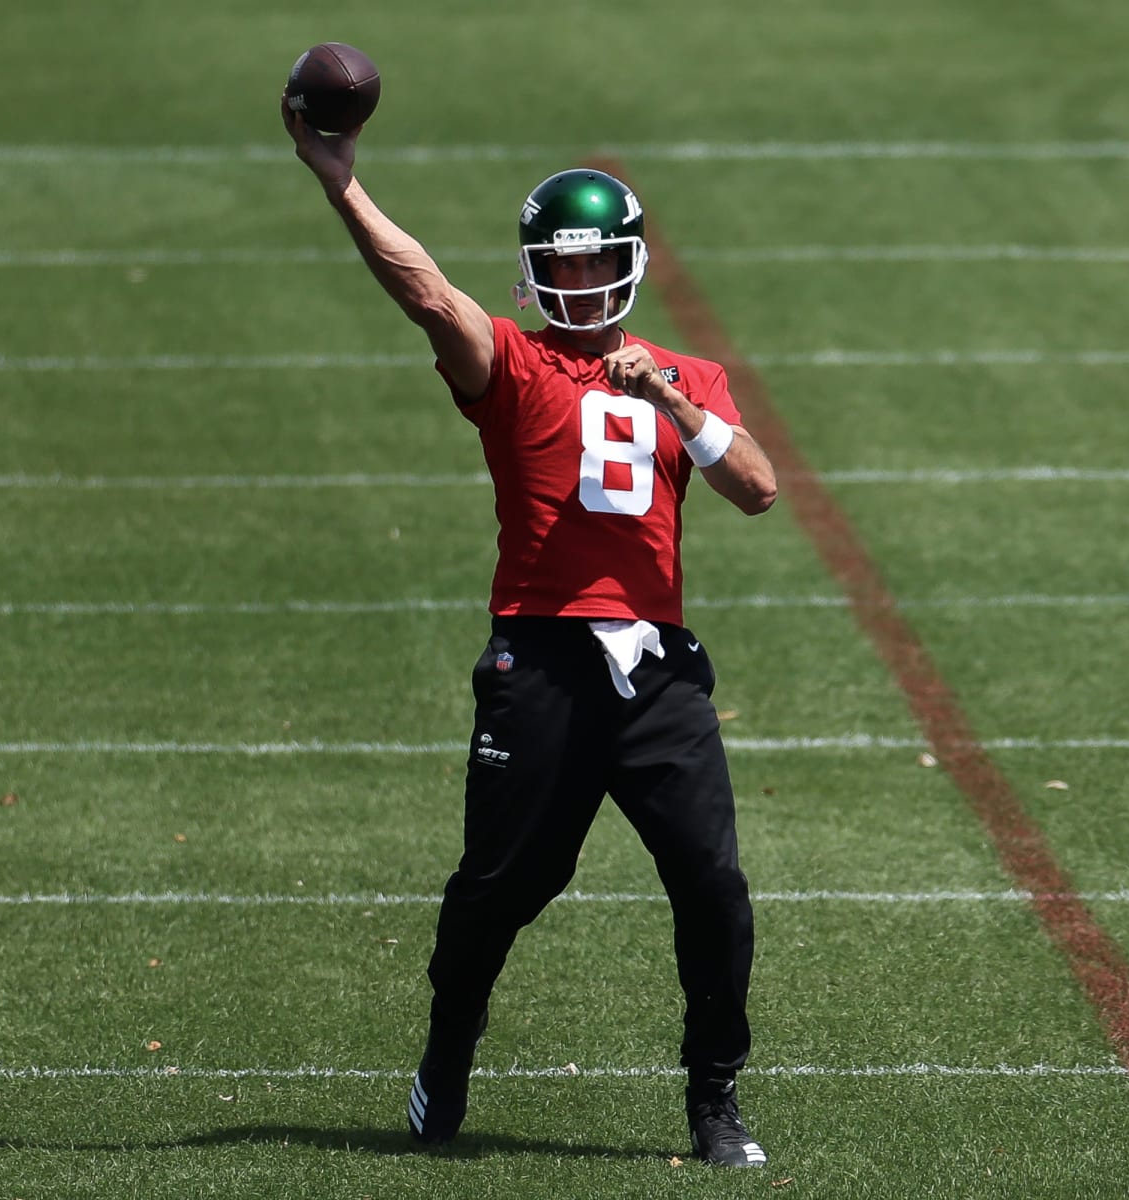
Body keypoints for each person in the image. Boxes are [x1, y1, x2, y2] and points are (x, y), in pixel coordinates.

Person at [283, 96, 779, 1167]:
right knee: (504, 885)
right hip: (540, 658)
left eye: (597, 263)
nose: (582, 281)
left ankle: (714, 1100)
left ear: (629, 266)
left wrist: (674, 403)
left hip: (655, 671)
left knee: (713, 887)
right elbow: (426, 292)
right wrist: (341, 181)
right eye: (565, 265)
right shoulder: (513, 365)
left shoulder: (686, 376)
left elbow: (759, 488)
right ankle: (449, 1045)